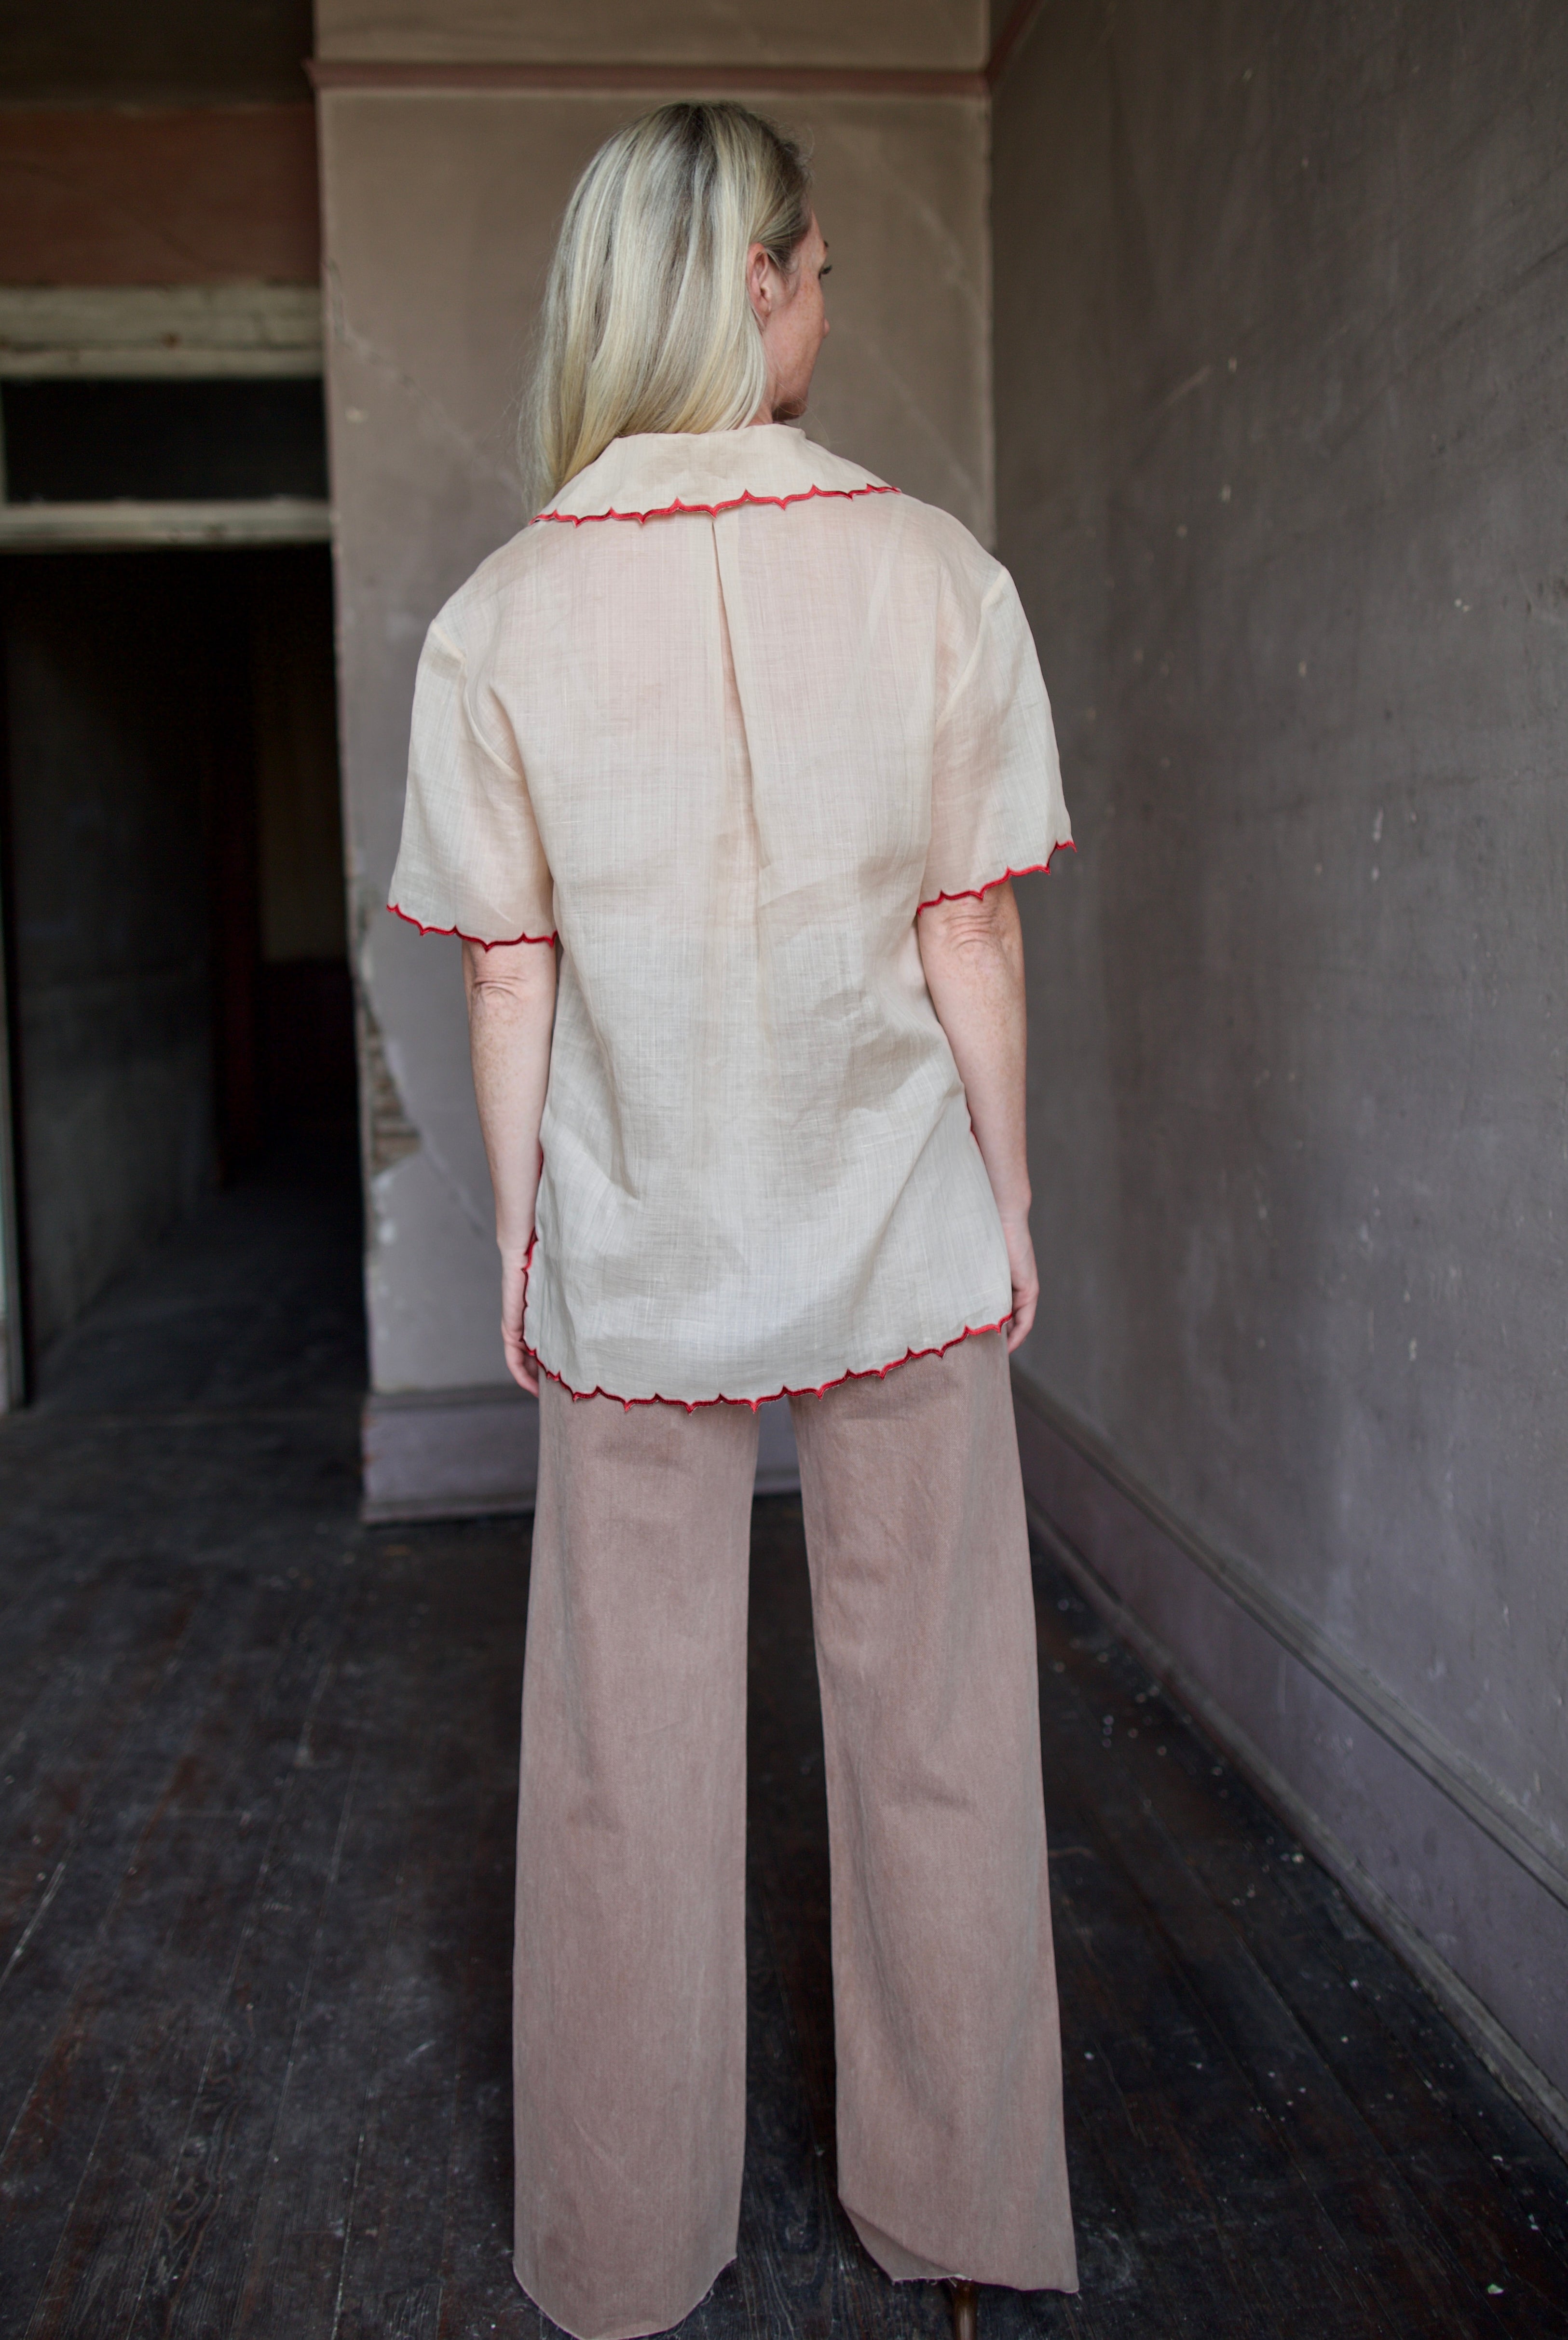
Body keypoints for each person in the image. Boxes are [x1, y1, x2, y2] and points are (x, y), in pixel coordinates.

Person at [388, 100, 1077, 2340]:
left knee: (618, 1755)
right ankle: (959, 2218)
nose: (829, 305)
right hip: (894, 1228)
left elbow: (514, 970)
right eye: (825, 270)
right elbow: (970, 938)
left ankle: (615, 2249)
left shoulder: (501, 617)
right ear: (768, 283)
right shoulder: (940, 572)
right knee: (944, 1721)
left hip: (640, 1248)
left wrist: (515, 1232)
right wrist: (1014, 1182)